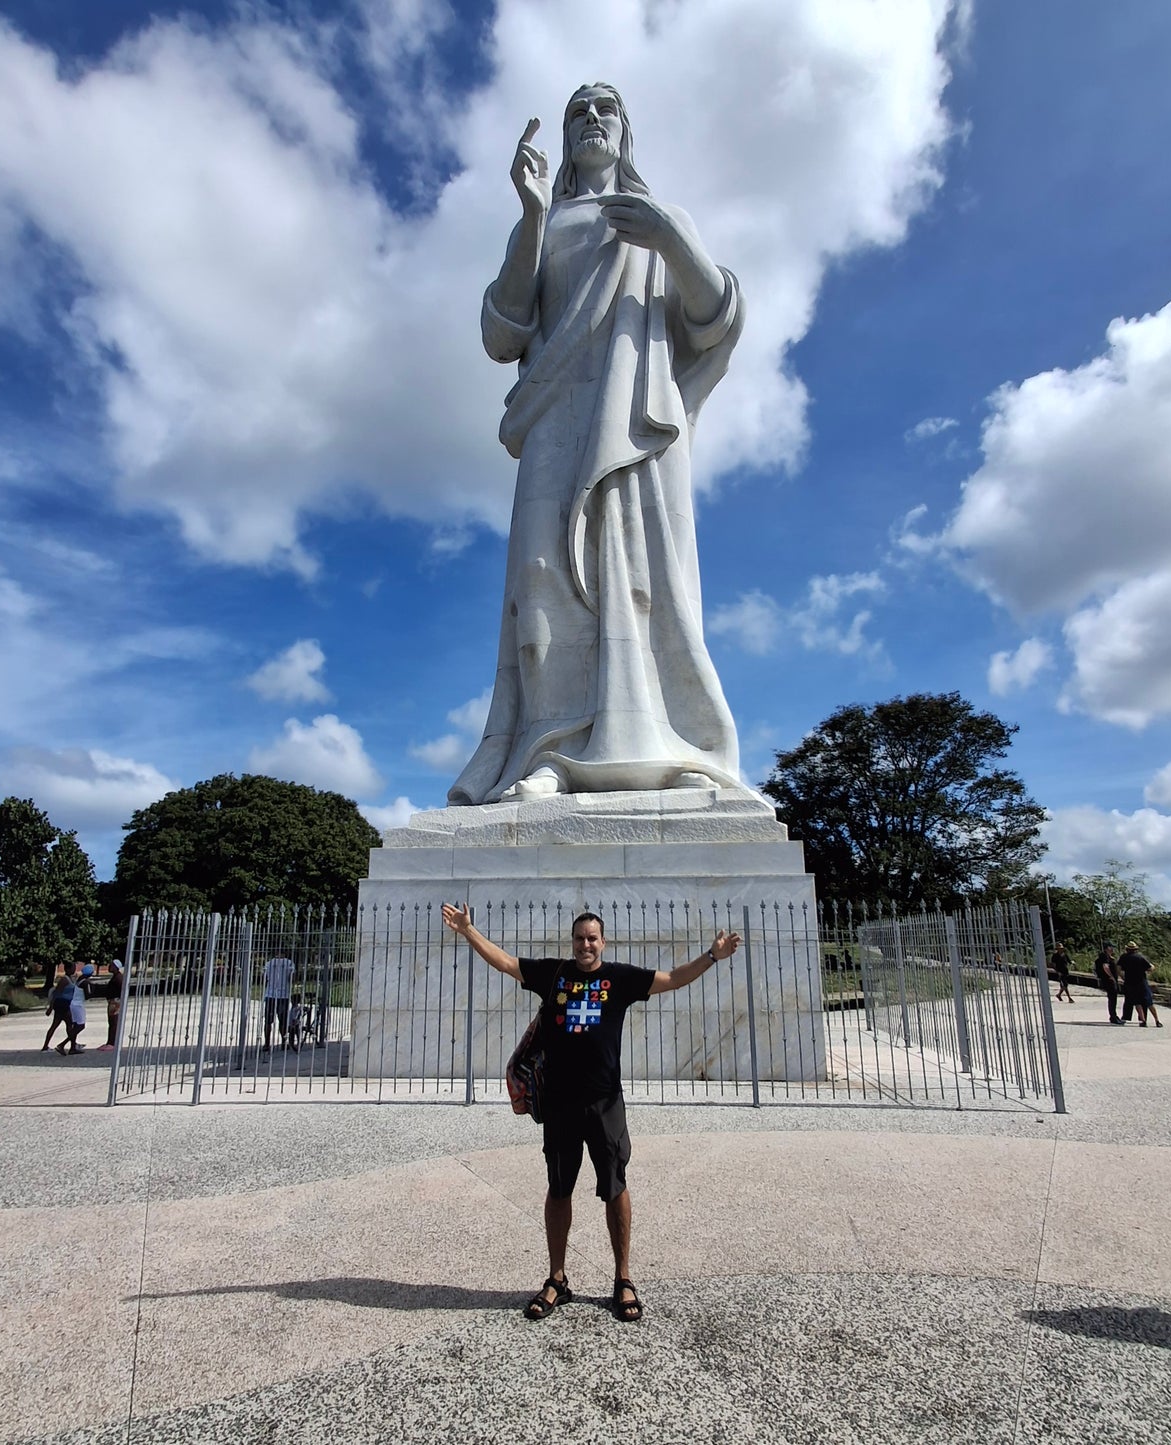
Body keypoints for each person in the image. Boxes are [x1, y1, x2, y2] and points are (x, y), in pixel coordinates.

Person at [449, 84, 745, 805]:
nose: (590, 117)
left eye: (603, 107)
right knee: (544, 586)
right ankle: (546, 753)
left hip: (638, 422)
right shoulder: (544, 226)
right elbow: (502, 333)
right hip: (555, 419)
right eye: (576, 109)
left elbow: (714, 321)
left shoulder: (658, 218)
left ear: (624, 132)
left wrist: (669, 240)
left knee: (648, 581)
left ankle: (672, 747)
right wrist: (528, 215)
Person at [442, 900, 740, 1323]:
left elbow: (673, 978)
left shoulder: (619, 978)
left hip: (605, 1101)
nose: (586, 944)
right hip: (561, 1102)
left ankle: (622, 1278)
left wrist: (713, 956)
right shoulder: (554, 974)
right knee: (558, 1187)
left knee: (615, 1186)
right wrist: (468, 931)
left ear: (603, 941)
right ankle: (557, 1278)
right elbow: (506, 963)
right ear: (573, 942)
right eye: (580, 938)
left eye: (593, 938)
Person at [1118, 942, 1158, 1028]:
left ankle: (1132, 1018)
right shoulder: (1140, 957)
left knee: (1134, 1002)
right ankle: (1155, 1020)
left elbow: (1118, 969)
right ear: (1136, 950)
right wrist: (1151, 969)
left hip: (1129, 982)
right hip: (1141, 982)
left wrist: (1122, 977)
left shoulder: (1123, 957)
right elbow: (1150, 967)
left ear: (1127, 949)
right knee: (1147, 1002)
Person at [262, 954, 295, 1051]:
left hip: (270, 995)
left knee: (268, 1021)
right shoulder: (289, 963)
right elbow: (292, 977)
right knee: (283, 1021)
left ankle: (267, 1044)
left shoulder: (269, 963)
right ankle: (284, 1042)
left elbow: (264, 977)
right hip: (283, 995)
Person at [1093, 944, 1124, 1024]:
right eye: (1111, 947)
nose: (1113, 949)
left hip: (1110, 980)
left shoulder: (1107, 956)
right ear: (1107, 948)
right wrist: (1111, 977)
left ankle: (1113, 1016)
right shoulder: (1104, 957)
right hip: (1109, 981)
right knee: (1112, 998)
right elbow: (1105, 967)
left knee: (1113, 998)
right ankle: (1113, 1017)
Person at [98, 960, 124, 1051]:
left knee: (114, 1022)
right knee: (111, 1022)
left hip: (115, 1002)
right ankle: (109, 1042)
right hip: (112, 1002)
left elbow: (122, 990)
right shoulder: (115, 977)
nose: (109, 966)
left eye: (112, 965)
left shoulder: (119, 978)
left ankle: (112, 1043)